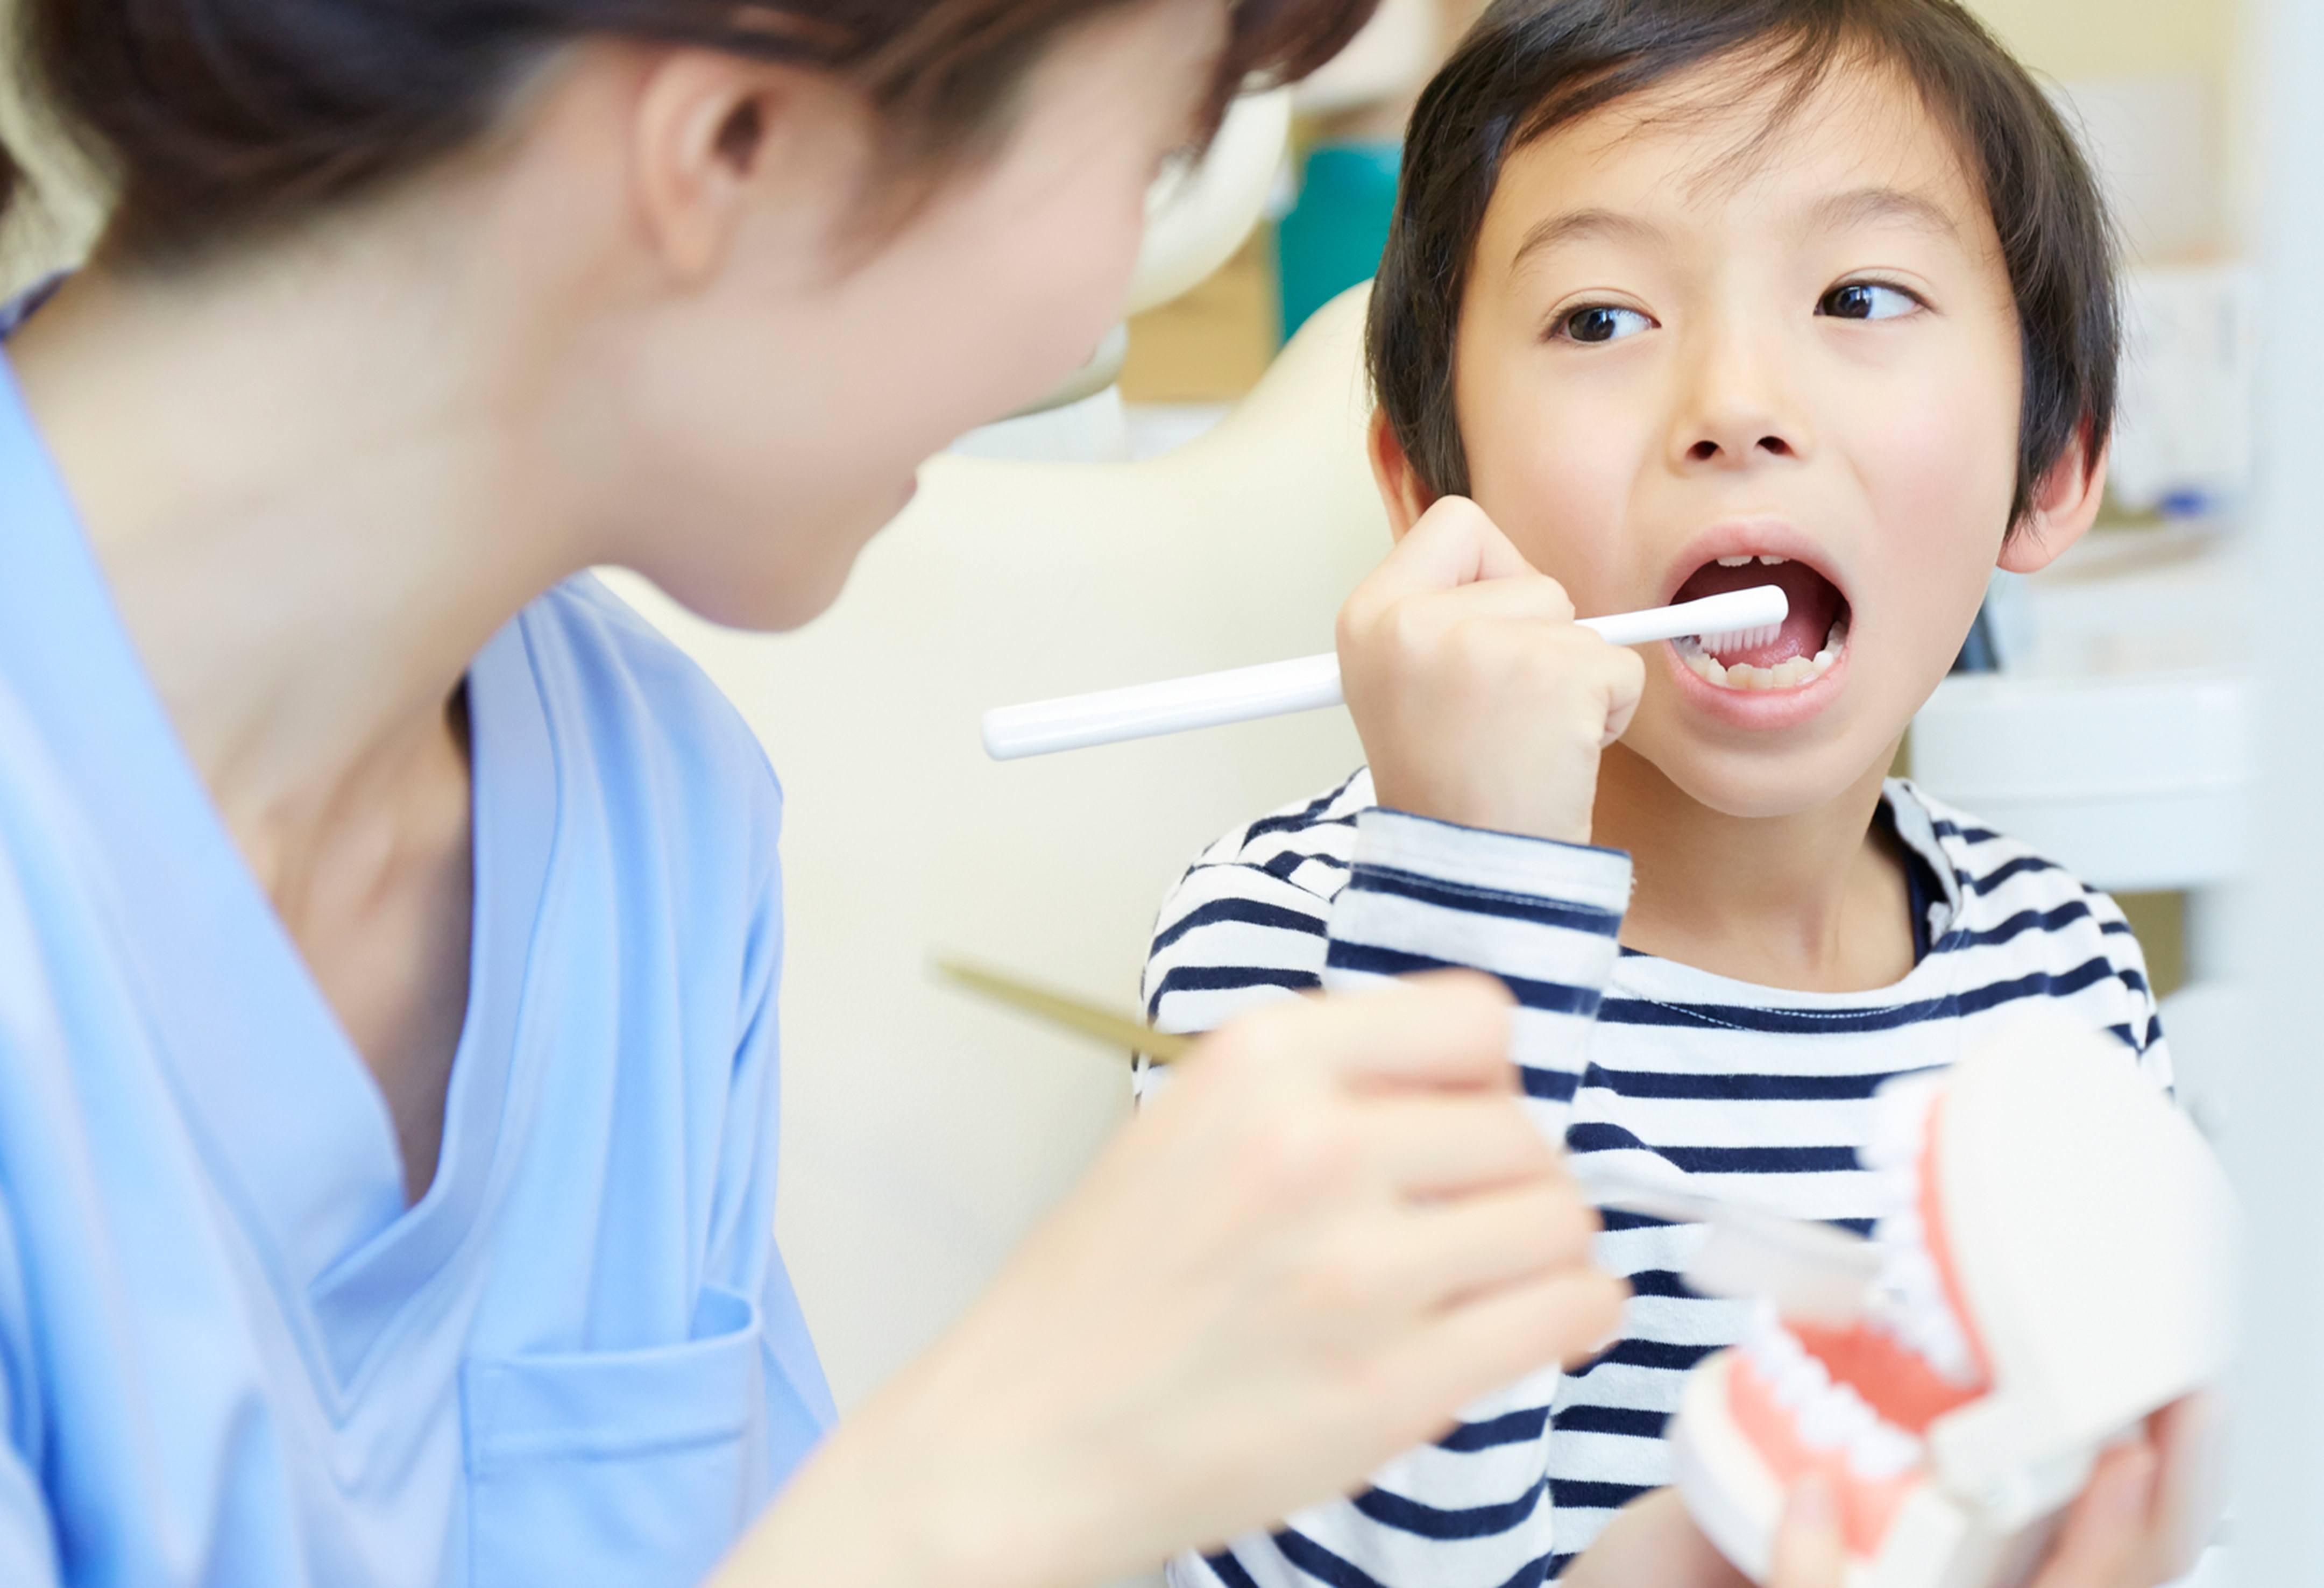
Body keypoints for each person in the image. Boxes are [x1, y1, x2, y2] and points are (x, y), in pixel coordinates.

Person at [0, 2, 1667, 1585]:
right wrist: (998, 1469)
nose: (1092, 320)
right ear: (735, 140)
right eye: (1148, 158)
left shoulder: (649, 812)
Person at [1139, 1, 2221, 1585]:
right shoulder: (1294, 947)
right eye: (1598, 319)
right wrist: (1466, 901)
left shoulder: (2059, 975)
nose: (1735, 402)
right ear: (1429, 497)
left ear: (2049, 464)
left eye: (1860, 293)